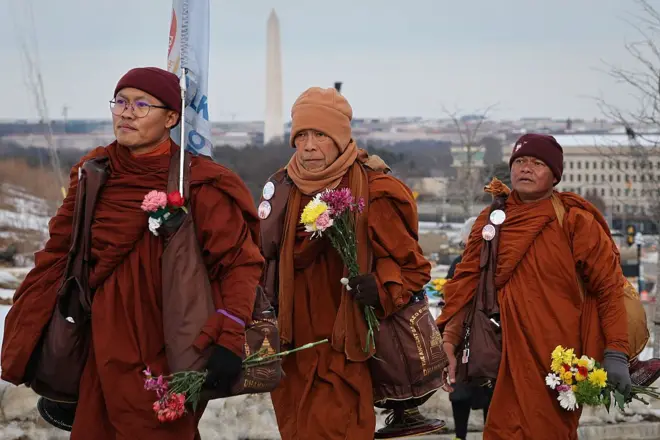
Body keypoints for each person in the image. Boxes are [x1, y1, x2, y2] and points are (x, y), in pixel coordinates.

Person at [1, 67, 264, 439]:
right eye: (120, 102)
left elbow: (239, 264)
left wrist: (231, 334)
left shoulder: (198, 183)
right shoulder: (94, 173)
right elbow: (59, 252)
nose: (126, 113)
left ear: (172, 117)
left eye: (141, 105)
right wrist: (35, 323)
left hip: (166, 345)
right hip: (96, 344)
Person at [259, 87, 441, 439]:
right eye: (302, 136)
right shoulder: (282, 189)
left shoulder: (374, 189)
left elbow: (412, 268)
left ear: (341, 139)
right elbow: (259, 257)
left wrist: (381, 288)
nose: (309, 145)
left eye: (320, 135)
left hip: (347, 351)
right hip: (293, 352)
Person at [437, 134, 631, 439]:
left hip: (557, 361)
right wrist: (449, 339)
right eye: (520, 161)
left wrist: (616, 352)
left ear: (554, 175)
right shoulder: (491, 221)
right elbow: (465, 284)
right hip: (503, 358)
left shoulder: (575, 221)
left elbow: (609, 288)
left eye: (537, 163)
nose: (526, 168)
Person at [443, 216, 491, 440]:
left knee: (465, 392)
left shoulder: (460, 264)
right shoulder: (490, 263)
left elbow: (449, 300)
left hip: (466, 339)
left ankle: (461, 437)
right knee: (484, 393)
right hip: (483, 339)